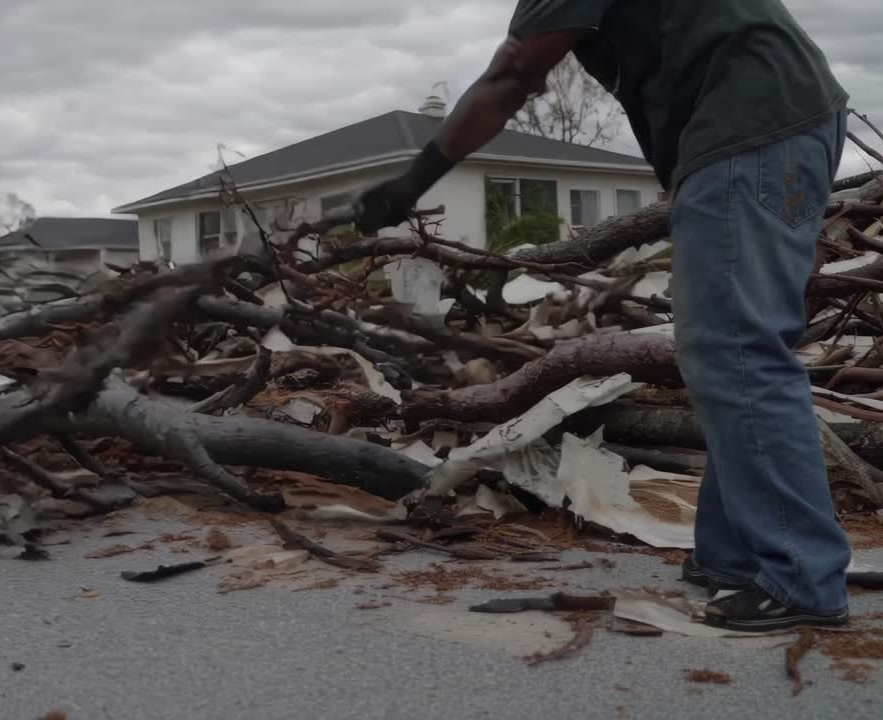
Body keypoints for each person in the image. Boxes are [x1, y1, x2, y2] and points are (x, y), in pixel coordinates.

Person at [355, 0, 853, 632]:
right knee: (729, 350)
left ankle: (799, 571)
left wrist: (415, 178)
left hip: (750, 126)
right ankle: (738, 555)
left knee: (736, 348)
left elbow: (514, 72)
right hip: (779, 119)